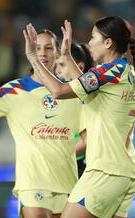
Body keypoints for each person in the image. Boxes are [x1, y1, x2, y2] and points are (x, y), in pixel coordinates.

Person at [23, 16, 135, 218]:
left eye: (93, 38)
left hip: (104, 172)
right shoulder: (123, 71)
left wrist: (34, 58)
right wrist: (66, 57)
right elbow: (85, 86)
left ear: (108, 43)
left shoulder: (109, 72)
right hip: (125, 174)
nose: (89, 43)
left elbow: (60, 92)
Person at [0, 33, 84, 218]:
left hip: (68, 183)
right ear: (29, 52)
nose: (42, 53)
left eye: (48, 48)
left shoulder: (71, 92)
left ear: (58, 53)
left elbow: (88, 134)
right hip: (32, 183)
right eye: (37, 48)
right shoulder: (15, 90)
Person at [55, 42, 94, 178]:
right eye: (56, 66)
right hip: (64, 166)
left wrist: (62, 156)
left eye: (62, 65)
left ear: (80, 66)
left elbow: (88, 139)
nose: (57, 71)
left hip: (80, 168)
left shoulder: (87, 98)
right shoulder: (60, 97)